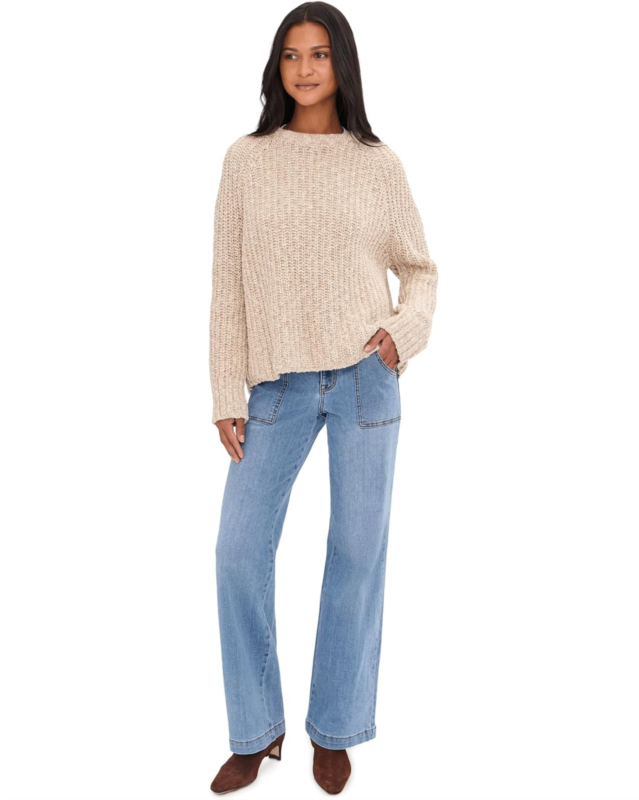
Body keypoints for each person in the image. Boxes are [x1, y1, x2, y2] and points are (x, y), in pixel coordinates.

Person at [208, 2, 438, 794]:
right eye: (291, 54)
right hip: (275, 384)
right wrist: (224, 389)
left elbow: (421, 270)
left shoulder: (378, 164)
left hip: (365, 378)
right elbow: (227, 285)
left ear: (342, 63)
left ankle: (335, 727)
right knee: (238, 551)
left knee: (357, 553)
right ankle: (256, 727)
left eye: (319, 53)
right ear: (276, 67)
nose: (305, 68)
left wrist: (402, 335)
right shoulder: (246, 160)